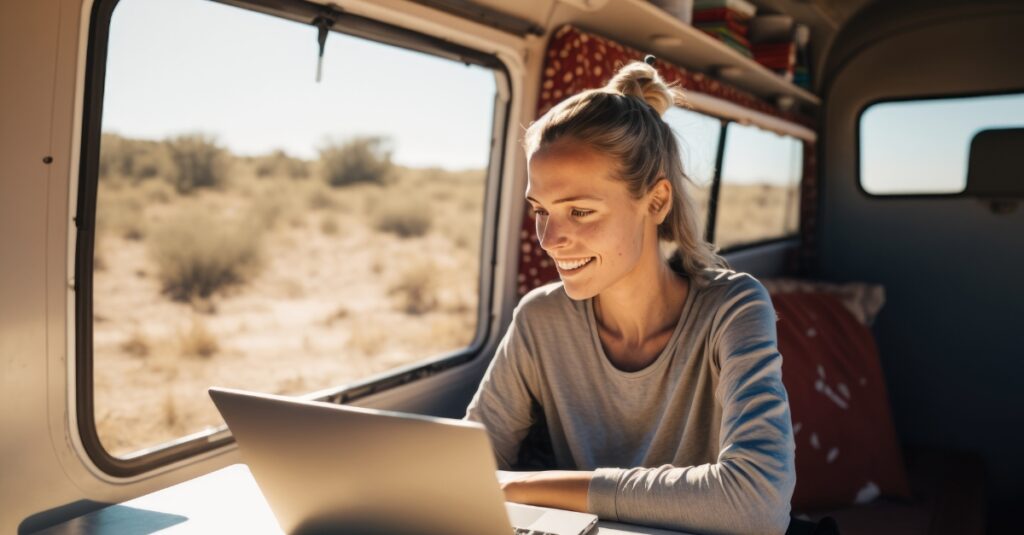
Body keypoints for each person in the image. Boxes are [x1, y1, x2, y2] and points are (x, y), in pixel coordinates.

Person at [464, 59, 796, 534]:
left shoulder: (734, 309)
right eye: (541, 210)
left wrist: (520, 487)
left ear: (657, 202)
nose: (549, 239)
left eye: (580, 211)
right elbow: (468, 467)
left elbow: (757, 504)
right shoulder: (540, 319)